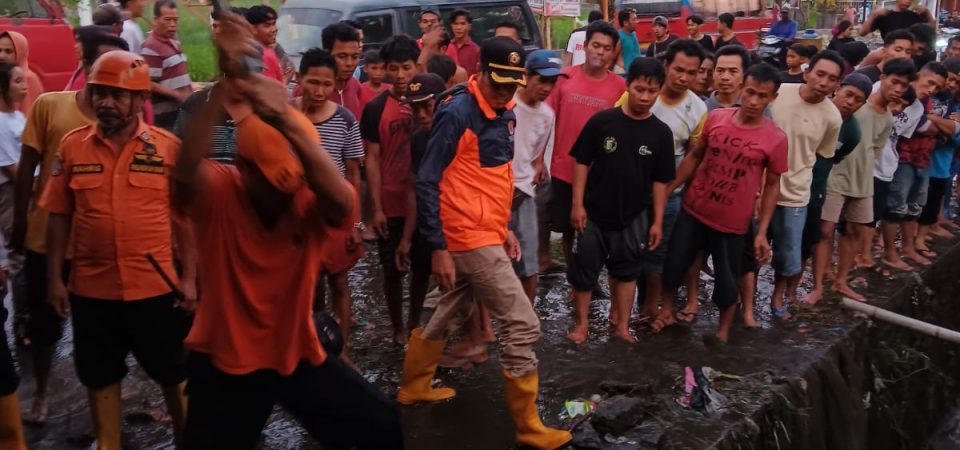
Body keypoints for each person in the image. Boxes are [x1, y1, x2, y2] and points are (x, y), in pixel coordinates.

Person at [174, 14, 402, 449]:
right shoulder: (222, 192)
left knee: (382, 426)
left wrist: (283, 115)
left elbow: (341, 200)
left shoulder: (308, 201)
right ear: (242, 169)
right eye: (270, 179)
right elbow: (184, 173)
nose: (283, 189)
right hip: (225, 356)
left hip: (294, 348)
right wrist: (227, 83)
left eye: (290, 178)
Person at [399, 36, 572, 450]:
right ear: (479, 73)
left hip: (484, 230)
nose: (506, 92)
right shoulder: (458, 112)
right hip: (466, 235)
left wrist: (503, 227)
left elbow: (489, 179)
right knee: (522, 323)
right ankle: (528, 426)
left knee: (451, 307)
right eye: (499, 83)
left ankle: (414, 386)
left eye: (512, 84)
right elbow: (428, 179)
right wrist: (438, 246)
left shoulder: (503, 111)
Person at [39, 50, 194, 449]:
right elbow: (58, 217)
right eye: (99, 93)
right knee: (99, 374)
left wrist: (191, 280)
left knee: (174, 371)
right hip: (92, 291)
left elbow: (185, 221)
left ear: (140, 99)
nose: (105, 102)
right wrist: (55, 279)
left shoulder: (167, 149)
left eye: (117, 95)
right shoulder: (73, 147)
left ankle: (189, 440)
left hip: (156, 289)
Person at [10, 32, 125, 425]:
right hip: (47, 239)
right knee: (44, 326)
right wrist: (21, 222)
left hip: (99, 246)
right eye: (106, 66)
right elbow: (28, 166)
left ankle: (105, 407)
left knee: (101, 332)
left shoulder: (124, 121)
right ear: (87, 67)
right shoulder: (49, 106)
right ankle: (42, 392)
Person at [662, 62, 787, 343]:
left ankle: (722, 332)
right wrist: (670, 187)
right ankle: (665, 312)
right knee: (674, 263)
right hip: (694, 209)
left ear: (772, 98)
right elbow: (695, 156)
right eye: (750, 92)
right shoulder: (717, 118)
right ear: (742, 88)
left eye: (762, 96)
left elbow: (772, 185)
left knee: (727, 280)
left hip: (732, 223)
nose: (753, 101)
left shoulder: (776, 138)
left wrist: (762, 231)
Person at [566, 58, 675, 344]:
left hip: (634, 215)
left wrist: (657, 221)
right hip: (593, 212)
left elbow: (661, 181)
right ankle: (582, 325)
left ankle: (622, 327)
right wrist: (577, 204)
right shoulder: (602, 122)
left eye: (651, 91)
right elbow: (581, 162)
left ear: (659, 91)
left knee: (627, 272)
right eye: (639, 89)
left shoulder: (661, 133)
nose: (644, 97)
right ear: (627, 85)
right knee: (584, 272)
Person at [819, 59, 916, 303]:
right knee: (826, 230)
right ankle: (822, 277)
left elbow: (874, 151)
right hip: (836, 175)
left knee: (856, 230)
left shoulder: (887, 118)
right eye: (894, 82)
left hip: (863, 180)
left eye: (903, 86)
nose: (898, 89)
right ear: (882, 79)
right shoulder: (857, 107)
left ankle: (841, 280)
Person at [296, 48, 365, 355]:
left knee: (339, 281)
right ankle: (313, 345)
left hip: (336, 212)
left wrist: (355, 223)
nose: (319, 91)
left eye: (327, 84)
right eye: (313, 82)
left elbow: (353, 173)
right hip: (298, 213)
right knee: (308, 284)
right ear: (300, 79)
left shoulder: (344, 119)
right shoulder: (286, 117)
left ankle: (342, 349)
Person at [768, 50, 843, 321]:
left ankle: (778, 295)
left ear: (837, 85)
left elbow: (823, 154)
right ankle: (744, 298)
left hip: (796, 192)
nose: (824, 82)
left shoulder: (832, 117)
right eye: (820, 74)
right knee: (751, 247)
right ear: (807, 72)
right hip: (760, 187)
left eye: (832, 79)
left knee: (789, 251)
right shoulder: (779, 92)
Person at [361, 35, 425, 345]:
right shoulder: (375, 108)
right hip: (390, 199)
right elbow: (371, 159)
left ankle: (414, 322)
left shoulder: (426, 104)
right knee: (391, 269)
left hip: (422, 201)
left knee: (422, 267)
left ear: (417, 67)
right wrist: (375, 208)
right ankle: (397, 326)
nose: (400, 76)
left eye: (407, 68)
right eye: (394, 68)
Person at [547, 21, 625, 270]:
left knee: (594, 227)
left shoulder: (620, 87)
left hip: (600, 173)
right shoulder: (564, 78)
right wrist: (538, 160)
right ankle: (574, 271)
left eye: (606, 48)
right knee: (566, 226)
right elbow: (545, 120)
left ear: (613, 52)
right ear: (586, 46)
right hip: (564, 168)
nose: (600, 52)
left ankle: (589, 273)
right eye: (595, 45)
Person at [800, 73, 870, 306]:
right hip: (794, 179)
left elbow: (836, 157)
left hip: (819, 183)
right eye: (848, 94)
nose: (850, 102)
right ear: (837, 89)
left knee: (822, 232)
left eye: (858, 100)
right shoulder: (814, 110)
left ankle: (820, 285)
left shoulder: (853, 131)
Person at [881, 61, 948, 268]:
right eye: (929, 83)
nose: (931, 90)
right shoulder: (894, 95)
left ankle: (908, 248)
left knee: (914, 207)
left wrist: (939, 125)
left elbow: (926, 128)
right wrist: (943, 126)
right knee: (895, 208)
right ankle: (890, 254)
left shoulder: (921, 106)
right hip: (900, 159)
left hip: (922, 158)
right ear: (918, 76)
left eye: (937, 87)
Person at [511, 50, 562, 304]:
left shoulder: (547, 115)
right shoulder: (508, 103)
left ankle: (525, 317)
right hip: (495, 193)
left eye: (552, 82)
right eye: (542, 80)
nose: (547, 88)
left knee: (528, 263)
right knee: (489, 265)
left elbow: (535, 152)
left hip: (524, 194)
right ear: (526, 76)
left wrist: (538, 164)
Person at [916, 58, 960, 247]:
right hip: (922, 158)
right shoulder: (925, 97)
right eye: (950, 79)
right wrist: (942, 125)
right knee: (914, 200)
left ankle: (925, 231)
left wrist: (935, 120)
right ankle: (916, 236)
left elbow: (954, 130)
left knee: (935, 196)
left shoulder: (950, 101)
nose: (951, 84)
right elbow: (919, 122)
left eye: (956, 81)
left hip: (942, 160)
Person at [141, 0, 192, 130]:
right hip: (165, 117)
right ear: (155, 20)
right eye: (167, 20)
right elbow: (148, 83)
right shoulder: (151, 47)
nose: (172, 24)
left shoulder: (173, 41)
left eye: (175, 20)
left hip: (180, 112)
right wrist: (178, 95)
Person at [322, 22, 363, 118]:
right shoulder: (311, 89)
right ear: (327, 54)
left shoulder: (356, 86)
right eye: (342, 56)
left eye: (354, 57)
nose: (349, 63)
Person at [0, 32, 42, 116]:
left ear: (20, 53)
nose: (1, 56)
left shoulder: (28, 78)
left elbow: (29, 117)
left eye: (8, 51)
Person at [244, 5, 285, 84]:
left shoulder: (247, 51)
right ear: (252, 28)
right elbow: (270, 89)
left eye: (274, 24)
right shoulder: (265, 55)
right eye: (267, 26)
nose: (274, 29)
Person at [705, 45, 751, 110]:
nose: (725, 77)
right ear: (713, 73)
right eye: (720, 71)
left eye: (733, 71)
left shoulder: (756, 107)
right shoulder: (701, 109)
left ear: (744, 75)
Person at [860, 0, 935, 39]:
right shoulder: (886, 15)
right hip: (890, 55)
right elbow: (862, 32)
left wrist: (927, 12)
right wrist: (873, 15)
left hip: (910, 56)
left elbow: (931, 29)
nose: (908, 1)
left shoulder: (915, 16)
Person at [446, 10, 480, 75]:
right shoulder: (445, 47)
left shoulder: (476, 50)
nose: (459, 28)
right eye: (456, 24)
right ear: (451, 26)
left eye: (463, 24)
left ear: (469, 26)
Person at [615, 9, 640, 74]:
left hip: (635, 73)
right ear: (625, 23)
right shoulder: (618, 37)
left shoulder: (633, 34)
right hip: (623, 73)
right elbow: (612, 57)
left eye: (636, 19)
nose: (637, 21)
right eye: (634, 19)